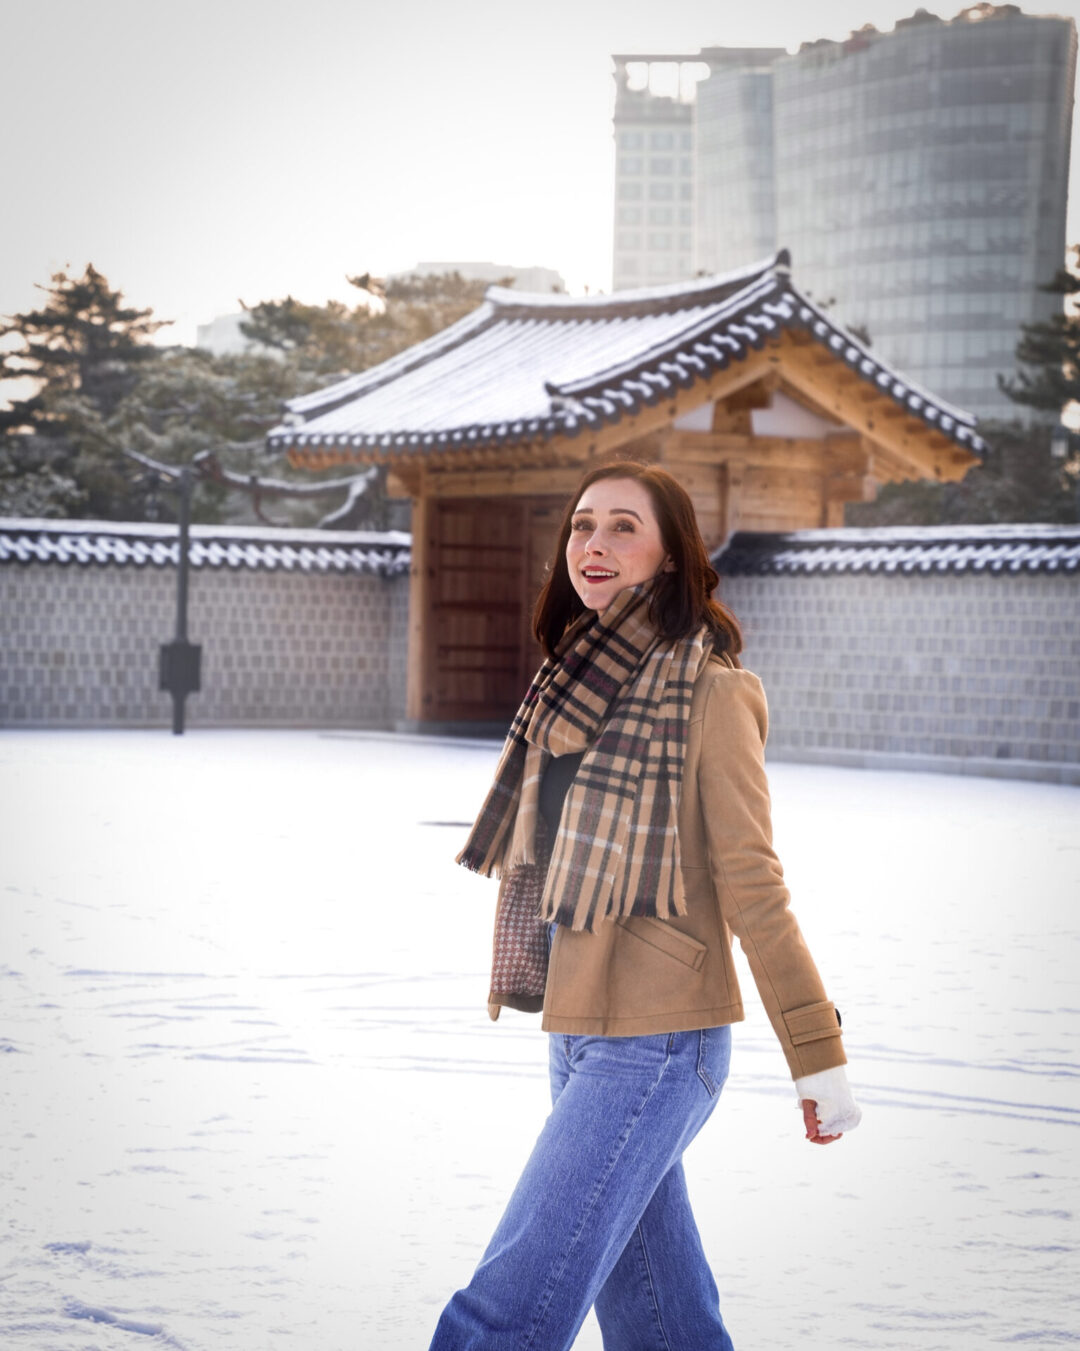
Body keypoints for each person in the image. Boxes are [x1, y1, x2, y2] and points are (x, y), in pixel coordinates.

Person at [429, 461, 861, 1351]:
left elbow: (754, 882)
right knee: (659, 1324)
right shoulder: (570, 681)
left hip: (661, 1044)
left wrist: (817, 1055)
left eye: (624, 526)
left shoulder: (712, 691)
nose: (594, 543)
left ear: (670, 556)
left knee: (506, 1310)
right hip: (576, 1027)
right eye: (583, 524)